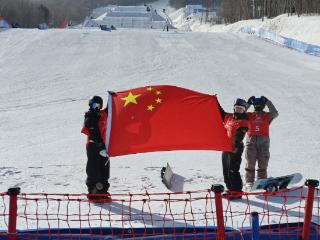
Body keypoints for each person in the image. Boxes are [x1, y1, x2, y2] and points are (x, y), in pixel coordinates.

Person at [244, 96, 279, 190]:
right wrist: (248, 103)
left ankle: (261, 181)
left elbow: (275, 113)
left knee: (263, 163)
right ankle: (249, 182)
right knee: (250, 162)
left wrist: (268, 102)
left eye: (260, 104)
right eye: (256, 104)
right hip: (251, 141)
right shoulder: (249, 115)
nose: (258, 106)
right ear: (254, 105)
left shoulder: (267, 116)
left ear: (263, 105)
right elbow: (241, 114)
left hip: (263, 142)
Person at [219, 98, 249, 199]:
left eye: (241, 108)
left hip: (236, 148)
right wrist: (215, 102)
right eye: (237, 108)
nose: (238, 110)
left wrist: (235, 146)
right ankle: (230, 189)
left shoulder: (244, 121)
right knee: (226, 169)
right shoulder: (229, 117)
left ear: (244, 109)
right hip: (226, 147)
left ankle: (237, 192)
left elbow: (239, 134)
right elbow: (220, 112)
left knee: (233, 170)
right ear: (234, 108)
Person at [81, 96, 110, 201]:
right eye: (94, 105)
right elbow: (93, 131)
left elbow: (110, 110)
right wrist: (100, 145)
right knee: (93, 168)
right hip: (93, 145)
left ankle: (102, 191)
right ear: (90, 105)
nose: (96, 107)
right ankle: (93, 192)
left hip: (104, 146)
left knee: (104, 168)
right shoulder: (90, 116)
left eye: (98, 105)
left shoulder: (102, 114)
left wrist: (112, 99)